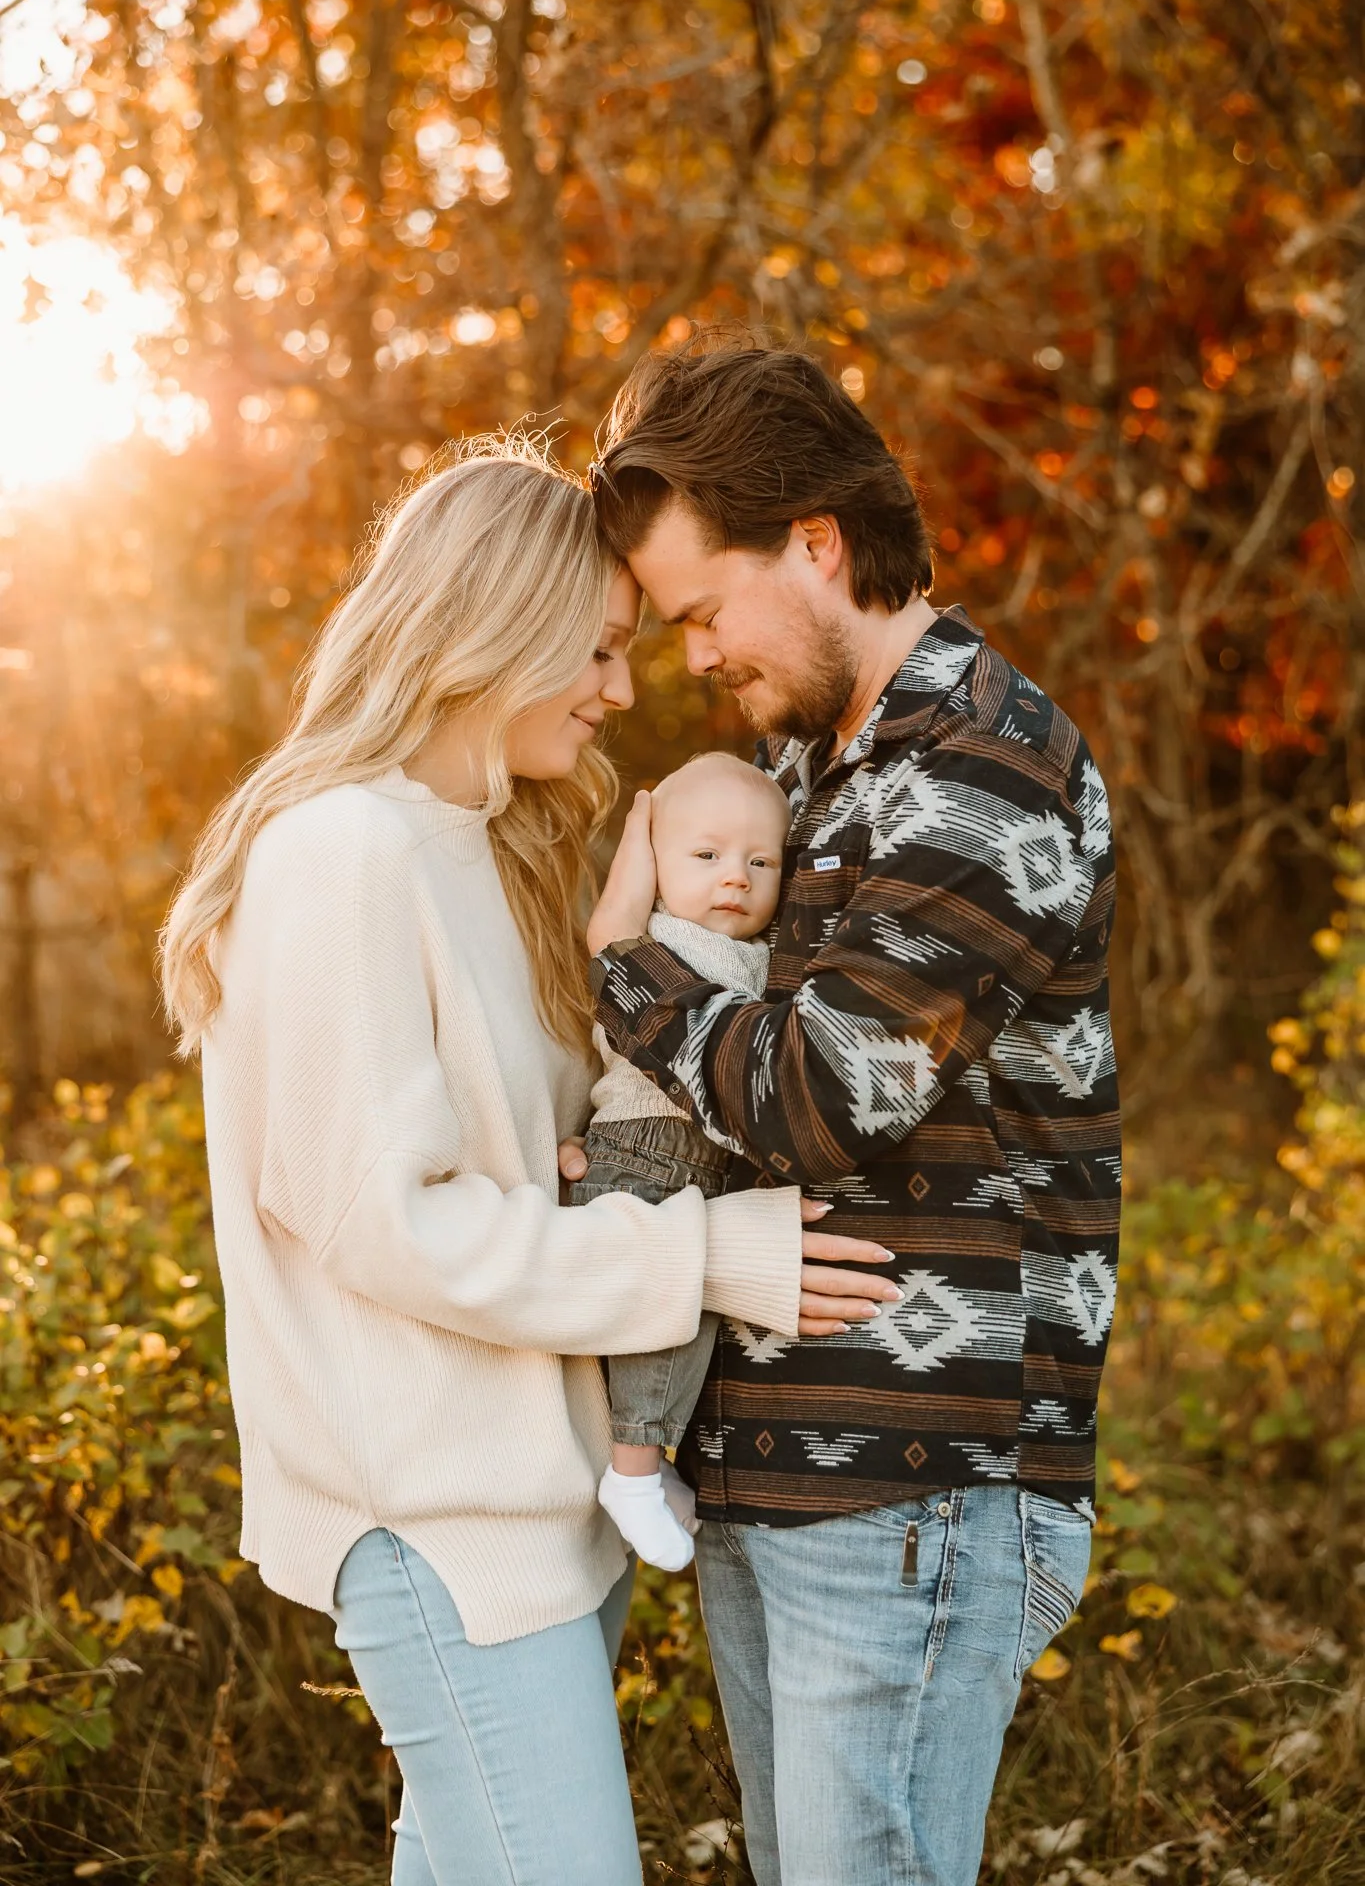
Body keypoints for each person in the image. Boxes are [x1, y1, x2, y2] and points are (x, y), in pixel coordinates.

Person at [158, 437, 903, 1886]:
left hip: (541, 1500)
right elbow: (398, 1227)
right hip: (441, 1524)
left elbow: (576, 1150)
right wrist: (709, 1255)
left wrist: (631, 952)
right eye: (603, 651)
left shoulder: (487, 841)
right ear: (490, 626)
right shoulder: (341, 853)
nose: (624, 689)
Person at [585, 346, 1123, 1886]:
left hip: (913, 1495)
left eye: (702, 611)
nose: (691, 653)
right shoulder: (802, 767)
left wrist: (625, 967)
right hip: (778, 1476)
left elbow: (823, 1101)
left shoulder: (980, 769)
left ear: (816, 545)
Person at [570, 752, 792, 1571]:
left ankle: (648, 1466)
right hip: (647, 1143)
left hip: (695, 1154)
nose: (733, 877)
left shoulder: (760, 950)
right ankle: (633, 1469)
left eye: (759, 862)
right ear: (659, 864)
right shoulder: (655, 937)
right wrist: (636, 831)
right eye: (705, 856)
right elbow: (609, 930)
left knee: (688, 1311)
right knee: (660, 1316)